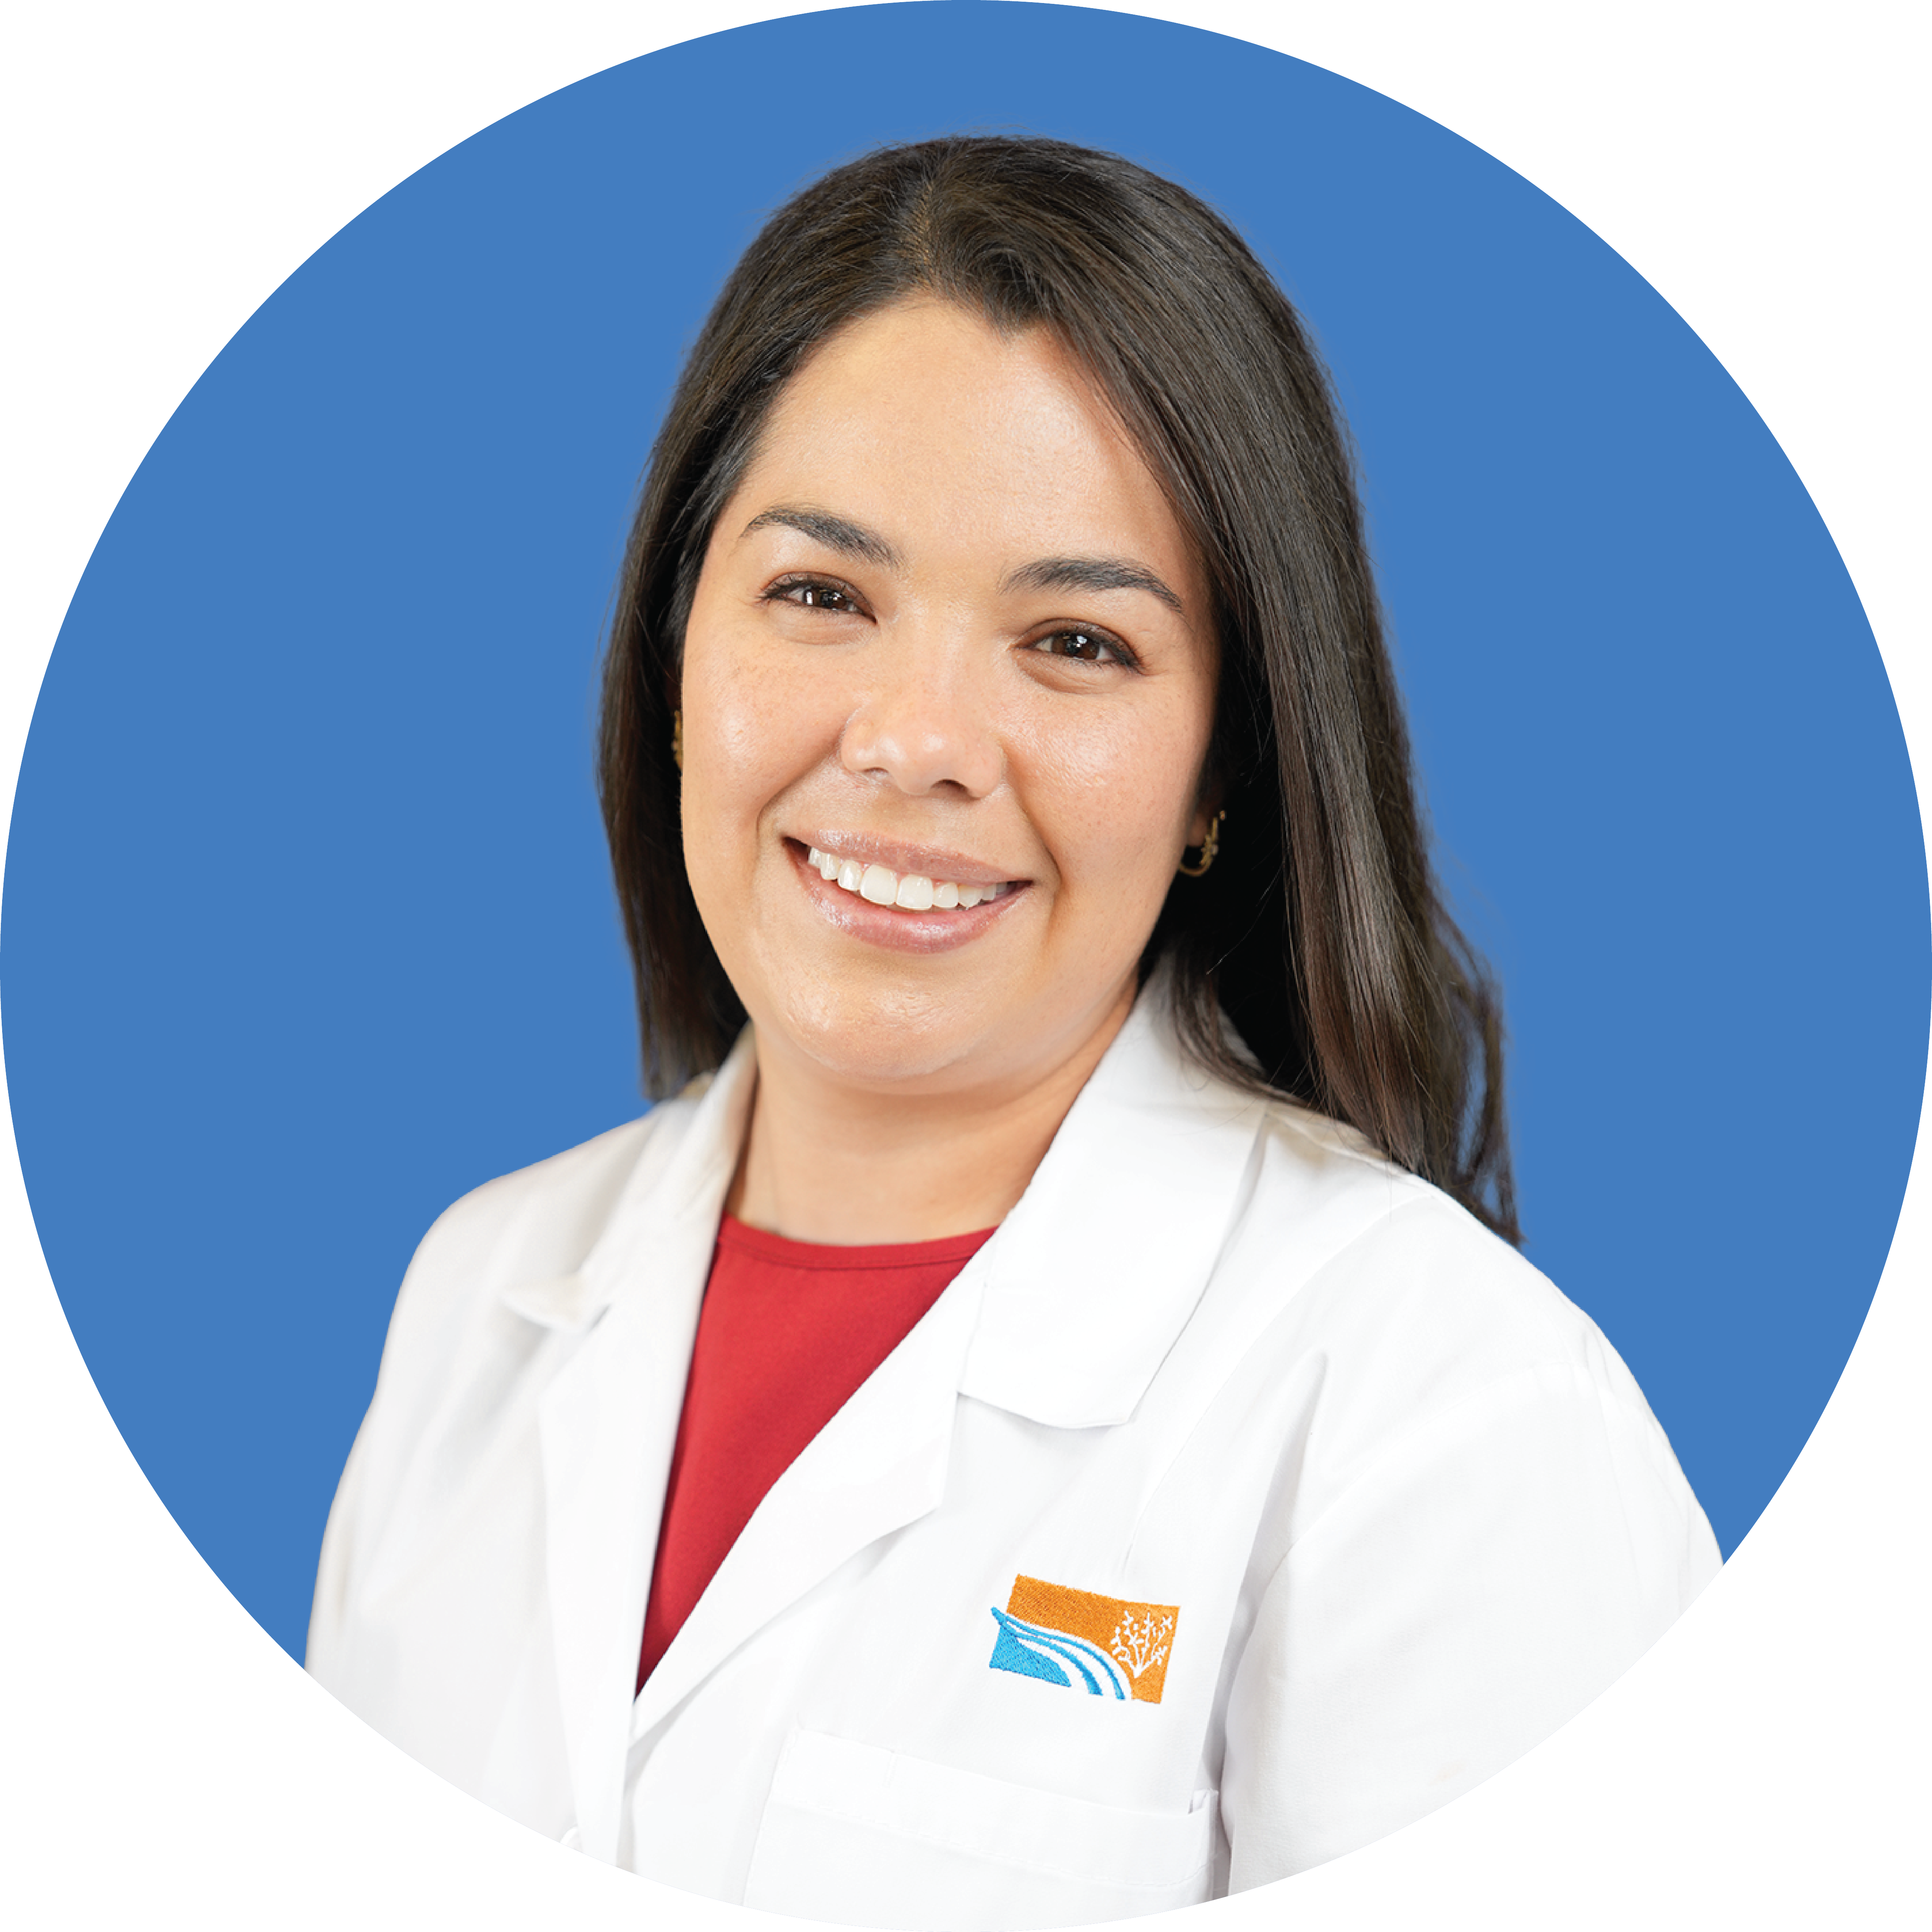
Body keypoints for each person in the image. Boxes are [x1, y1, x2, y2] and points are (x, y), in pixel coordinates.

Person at [307, 136, 1718, 1926]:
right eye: (821, 596)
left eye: (1075, 642)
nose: (914, 743)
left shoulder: (1438, 1412)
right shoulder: (478, 1297)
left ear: (1223, 772)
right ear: (674, 649)